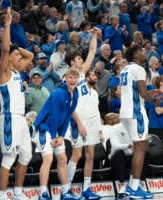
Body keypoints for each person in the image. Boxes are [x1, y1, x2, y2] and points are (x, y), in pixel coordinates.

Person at [0, 8, 34, 200]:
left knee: (26, 156)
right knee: (9, 158)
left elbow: (31, 57)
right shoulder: (3, 73)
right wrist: (8, 24)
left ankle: (17, 192)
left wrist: (17, 49)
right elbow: (4, 50)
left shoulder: (18, 72)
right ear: (7, 58)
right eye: (16, 55)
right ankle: (3, 195)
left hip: (21, 120)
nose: (20, 57)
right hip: (9, 117)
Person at [32, 68, 80, 200]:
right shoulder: (57, 93)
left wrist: (61, 136)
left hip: (56, 131)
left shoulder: (76, 94)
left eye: (75, 78)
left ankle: (65, 192)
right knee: (48, 159)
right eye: (70, 77)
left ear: (78, 79)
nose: (73, 80)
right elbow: (53, 116)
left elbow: (68, 116)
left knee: (63, 159)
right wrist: (54, 137)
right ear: (65, 78)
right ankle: (43, 194)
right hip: (43, 128)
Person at [65, 28, 101, 200]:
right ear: (72, 62)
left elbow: (93, 51)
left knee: (90, 154)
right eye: (79, 58)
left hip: (92, 119)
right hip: (79, 120)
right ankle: (67, 189)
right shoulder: (68, 78)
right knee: (77, 154)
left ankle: (86, 189)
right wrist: (78, 123)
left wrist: (94, 35)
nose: (82, 60)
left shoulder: (82, 73)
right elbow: (69, 104)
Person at [119, 45, 160, 199]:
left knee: (139, 147)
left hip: (126, 113)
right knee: (141, 148)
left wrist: (149, 93)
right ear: (135, 54)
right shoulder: (138, 69)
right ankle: (134, 187)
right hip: (136, 113)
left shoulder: (125, 69)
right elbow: (142, 93)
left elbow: (135, 92)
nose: (144, 53)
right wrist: (154, 99)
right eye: (142, 51)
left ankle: (131, 185)